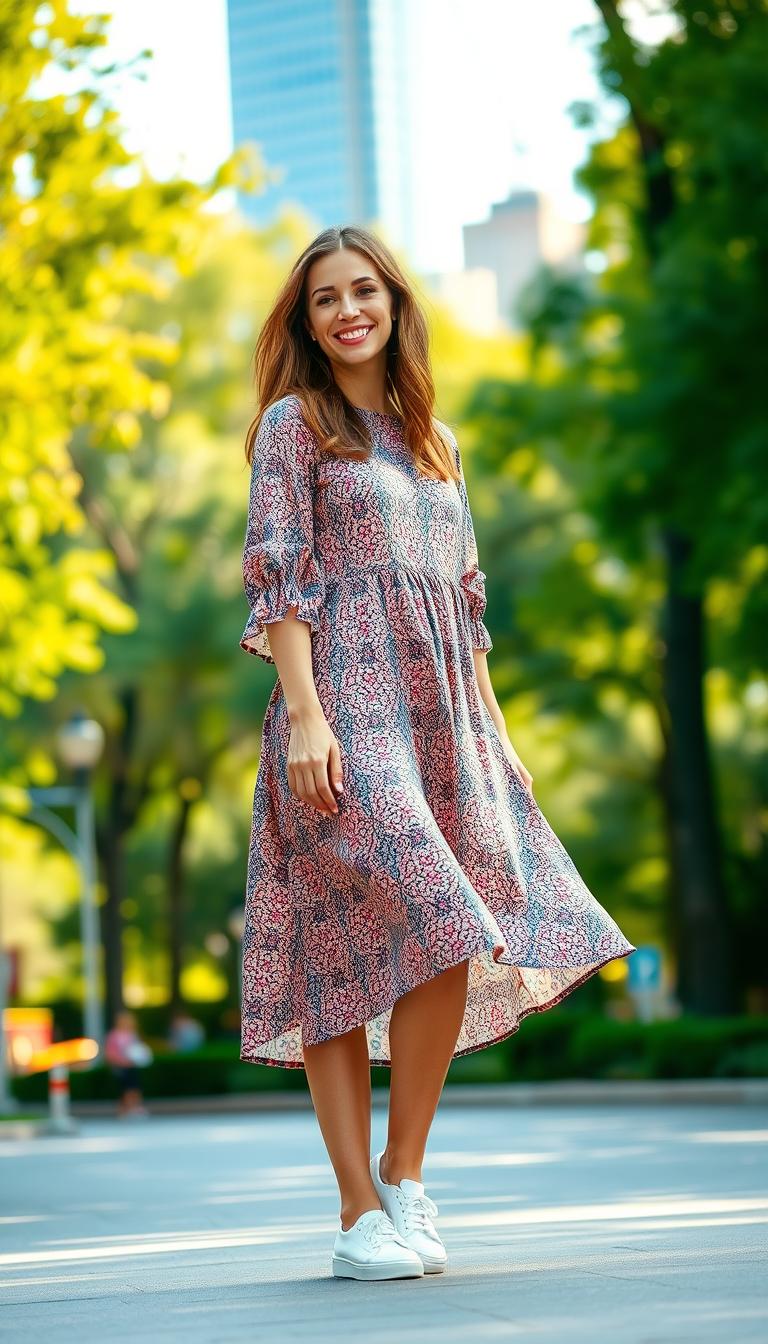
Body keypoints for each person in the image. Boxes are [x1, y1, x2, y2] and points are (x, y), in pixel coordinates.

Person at [237, 224, 636, 1281]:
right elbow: (279, 575)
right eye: (324, 299)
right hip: (341, 709)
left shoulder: (437, 442)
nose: (346, 311)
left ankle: (404, 1177)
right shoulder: (293, 426)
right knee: (348, 948)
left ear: (396, 303)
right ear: (306, 321)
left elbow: (466, 605)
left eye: (363, 290)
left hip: (443, 715)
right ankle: (357, 1209)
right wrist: (307, 714)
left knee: (458, 927)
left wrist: (496, 738)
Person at [104, 1010, 152, 1118]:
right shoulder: (114, 1035)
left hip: (132, 1066)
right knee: (125, 1089)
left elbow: (138, 1049)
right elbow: (109, 1053)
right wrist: (121, 1061)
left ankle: (135, 1107)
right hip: (121, 1068)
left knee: (135, 1087)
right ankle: (125, 1109)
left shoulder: (132, 1035)